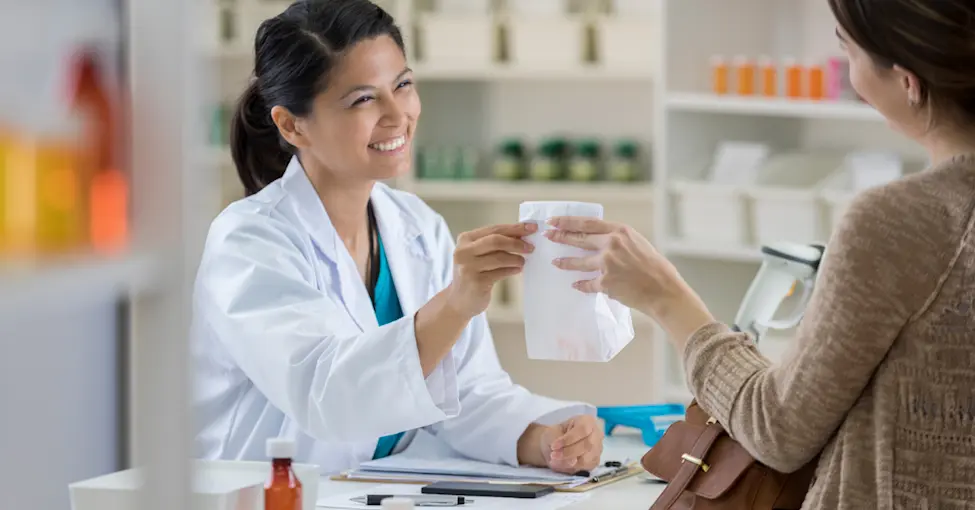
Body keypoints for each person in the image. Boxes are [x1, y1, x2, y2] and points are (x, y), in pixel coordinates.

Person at [546, 0, 975, 507]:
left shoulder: (900, 221)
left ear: (907, 81)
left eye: (848, 51)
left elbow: (778, 428)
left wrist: (666, 298)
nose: (851, 76)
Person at [190, 0, 603, 475]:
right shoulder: (246, 243)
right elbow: (329, 395)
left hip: (367, 491)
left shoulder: (416, 226)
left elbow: (463, 391)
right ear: (292, 124)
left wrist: (545, 440)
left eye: (402, 85)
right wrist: (455, 303)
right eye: (363, 99)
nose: (397, 114)